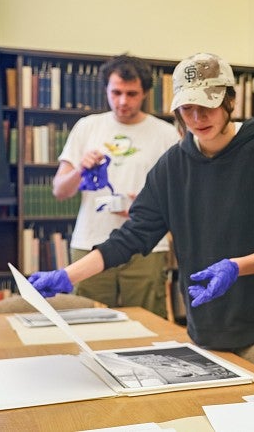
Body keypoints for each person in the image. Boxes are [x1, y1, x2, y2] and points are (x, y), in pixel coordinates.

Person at [29, 52, 254, 351]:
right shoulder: (173, 164)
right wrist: (67, 276)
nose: (198, 119)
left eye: (207, 106)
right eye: (188, 108)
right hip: (208, 328)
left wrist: (236, 267)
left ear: (230, 101)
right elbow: (133, 235)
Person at [52, 55, 180, 318]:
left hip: (147, 245)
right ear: (106, 91)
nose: (123, 101)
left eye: (131, 94)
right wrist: (80, 170)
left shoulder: (166, 133)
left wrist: (143, 208)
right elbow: (60, 190)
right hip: (91, 243)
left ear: (145, 93)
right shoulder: (87, 127)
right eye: (116, 92)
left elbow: (183, 197)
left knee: (147, 325)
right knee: (86, 325)